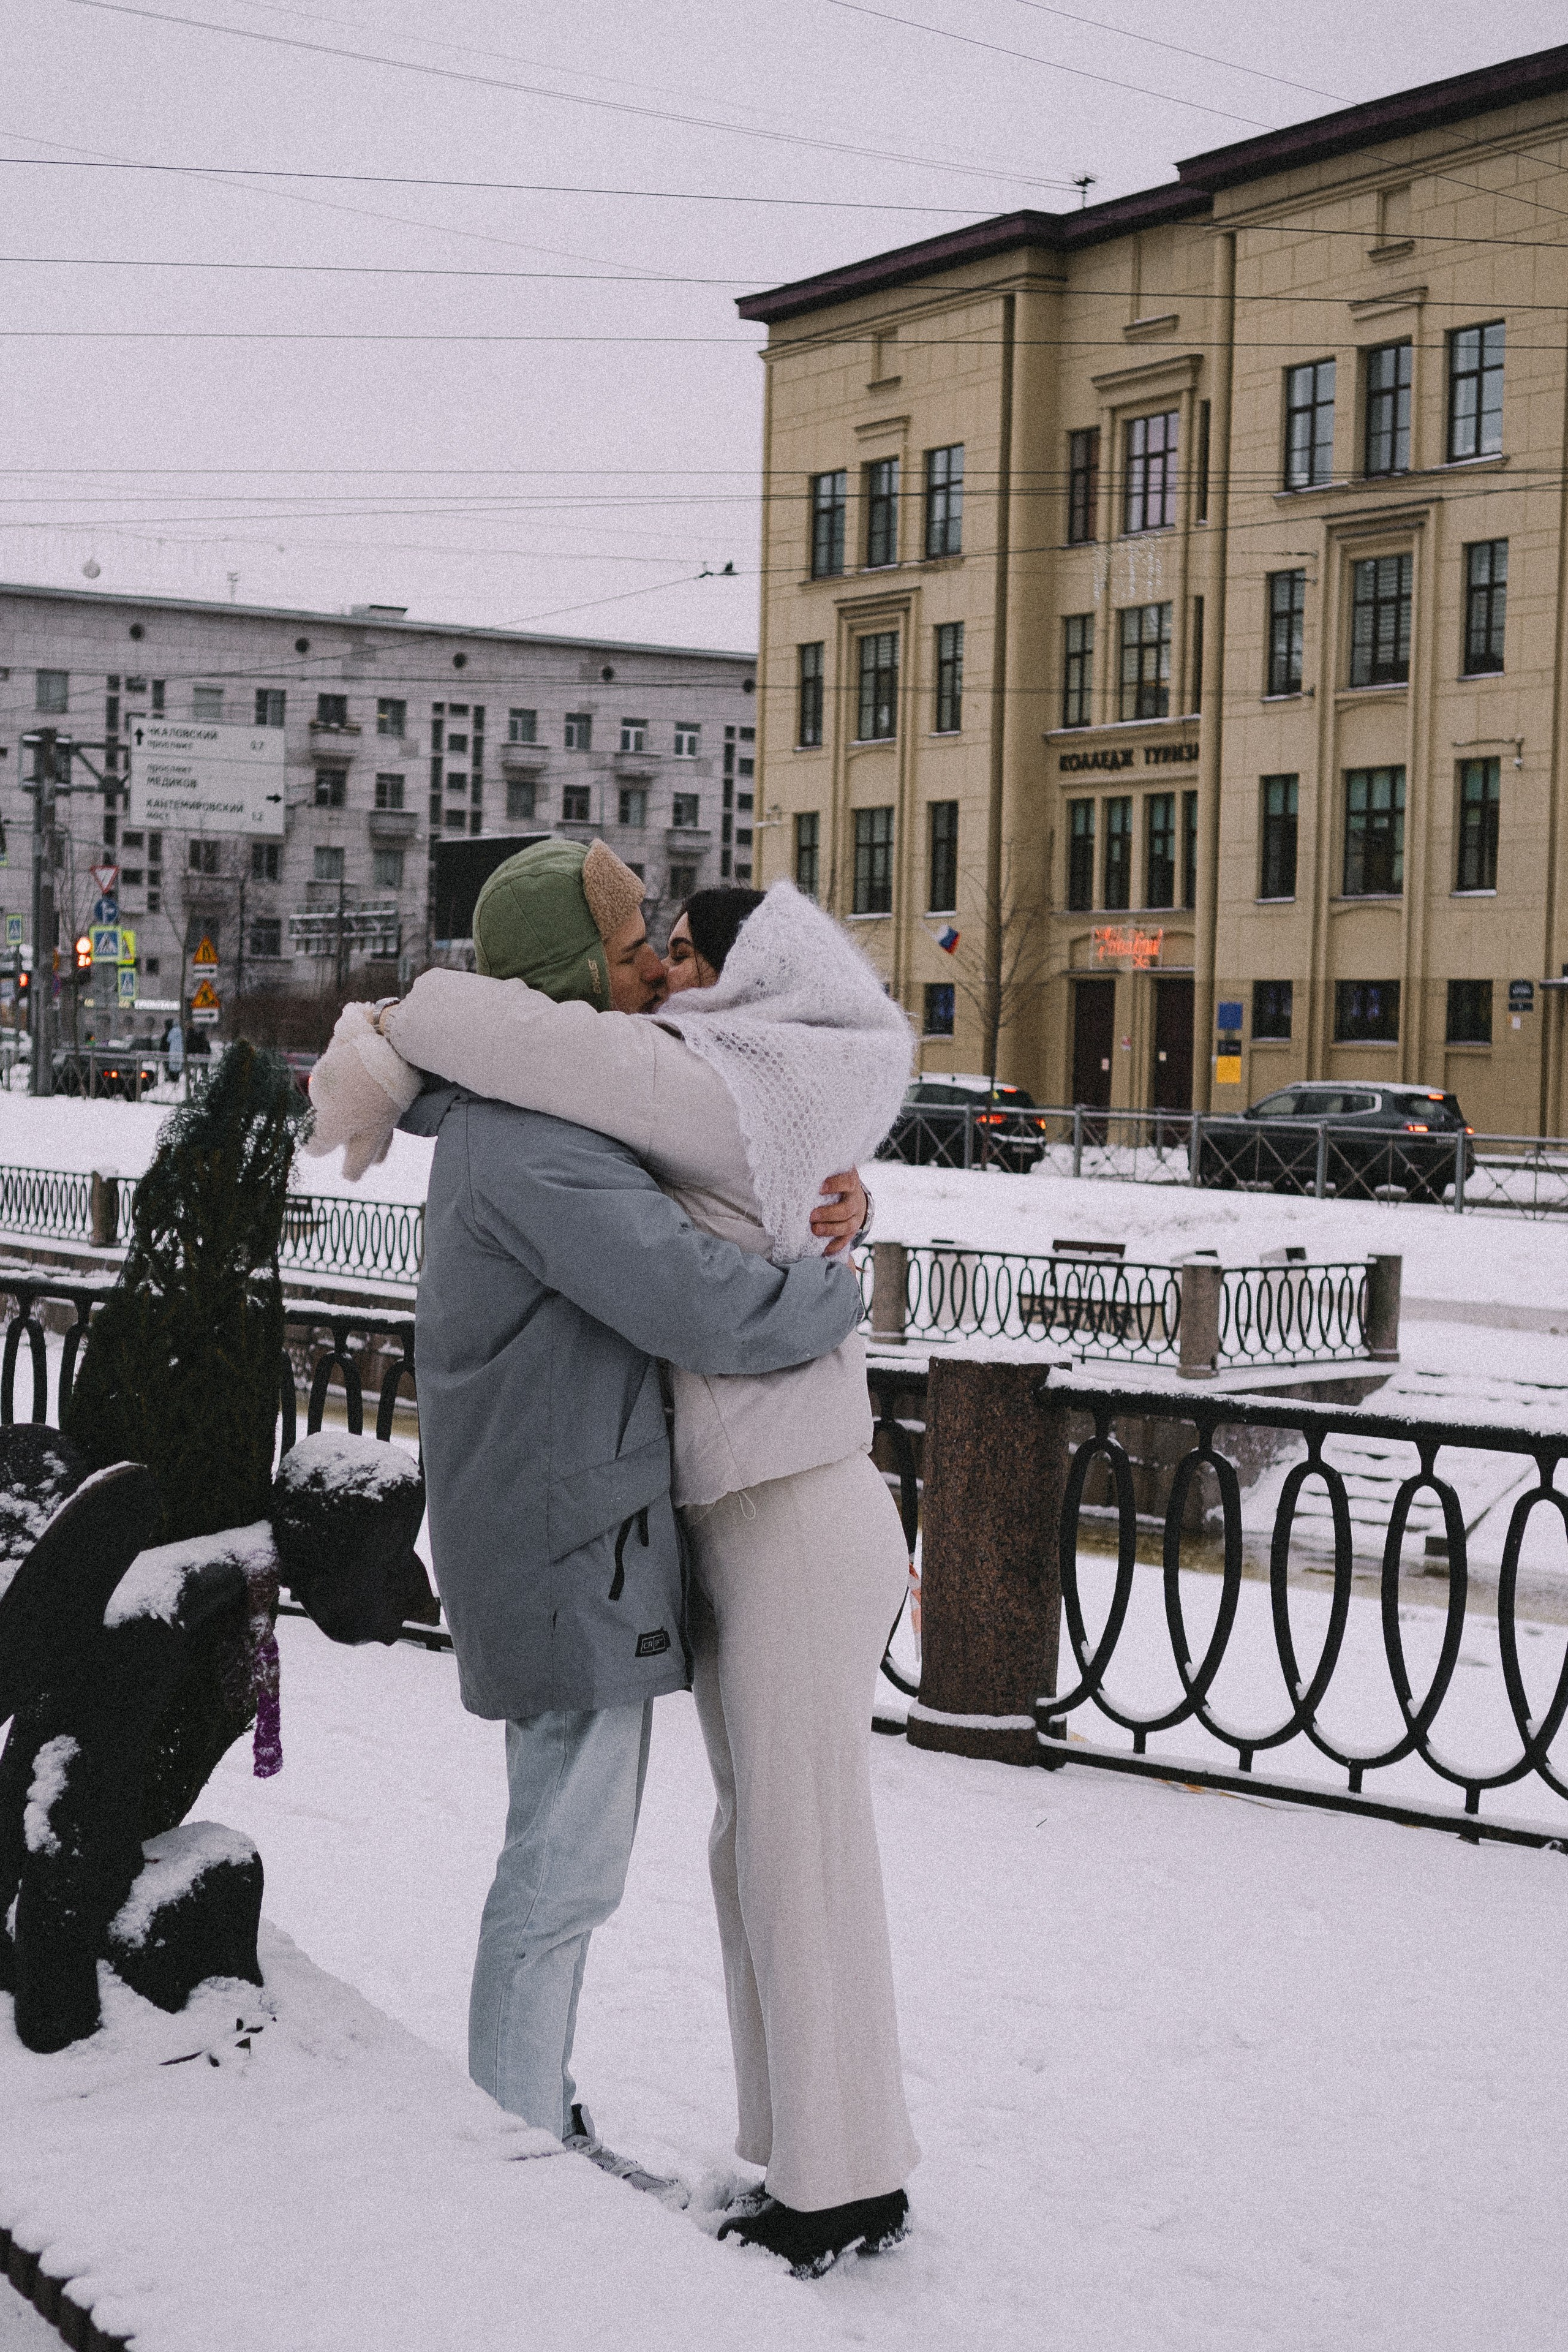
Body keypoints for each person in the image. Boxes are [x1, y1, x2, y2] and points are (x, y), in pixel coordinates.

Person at [313, 862, 921, 2278]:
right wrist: (840, 1241)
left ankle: (835, 2186)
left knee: (786, 1845)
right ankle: (801, 2156)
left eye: (680, 951)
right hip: (721, 1515)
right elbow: (550, 1057)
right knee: (755, 1845)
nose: (660, 971)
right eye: (640, 947)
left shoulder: (695, 1082)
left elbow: (519, 1044)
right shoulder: (685, 1093)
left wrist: (388, 1034)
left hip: (787, 1506)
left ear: (751, 981)